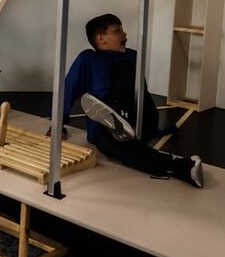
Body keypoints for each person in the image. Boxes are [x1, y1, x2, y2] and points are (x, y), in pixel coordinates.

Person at [61, 12, 203, 187]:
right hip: (105, 130)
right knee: (120, 145)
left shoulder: (132, 56)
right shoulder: (88, 59)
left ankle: (124, 120)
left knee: (125, 66)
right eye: (118, 31)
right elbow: (69, 89)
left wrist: (148, 124)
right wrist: (59, 123)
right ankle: (181, 168)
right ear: (101, 38)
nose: (125, 35)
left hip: (138, 118)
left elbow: (141, 93)